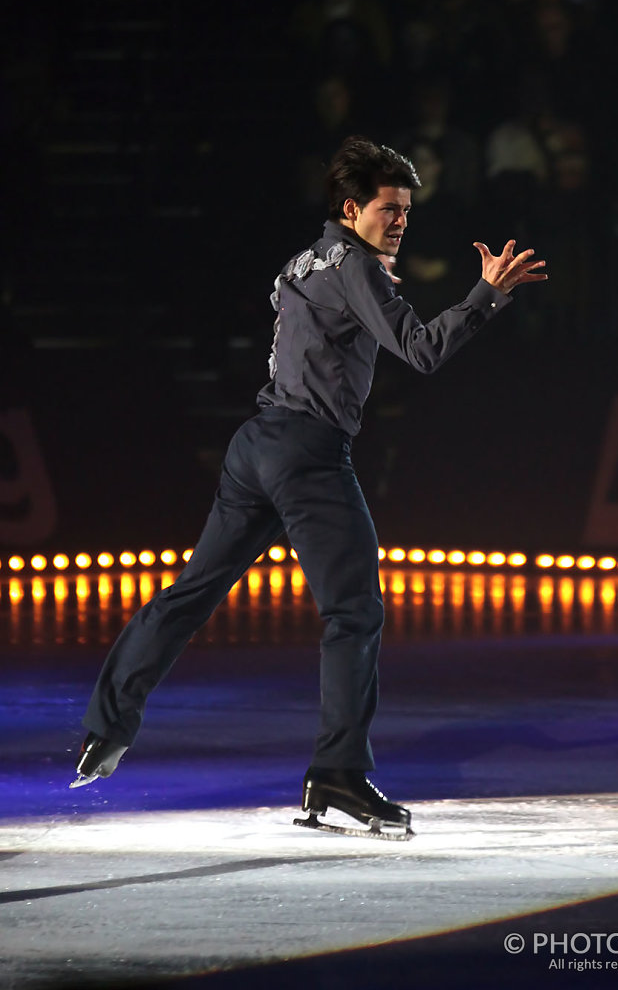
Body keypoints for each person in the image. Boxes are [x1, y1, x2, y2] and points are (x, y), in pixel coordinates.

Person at [71, 136, 548, 839]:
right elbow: (420, 351)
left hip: (254, 446)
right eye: (388, 209)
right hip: (307, 452)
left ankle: (104, 729)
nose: (400, 221)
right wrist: (486, 295)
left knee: (190, 594)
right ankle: (338, 773)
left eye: (406, 210)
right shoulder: (356, 266)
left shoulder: (306, 258)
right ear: (351, 208)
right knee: (353, 612)